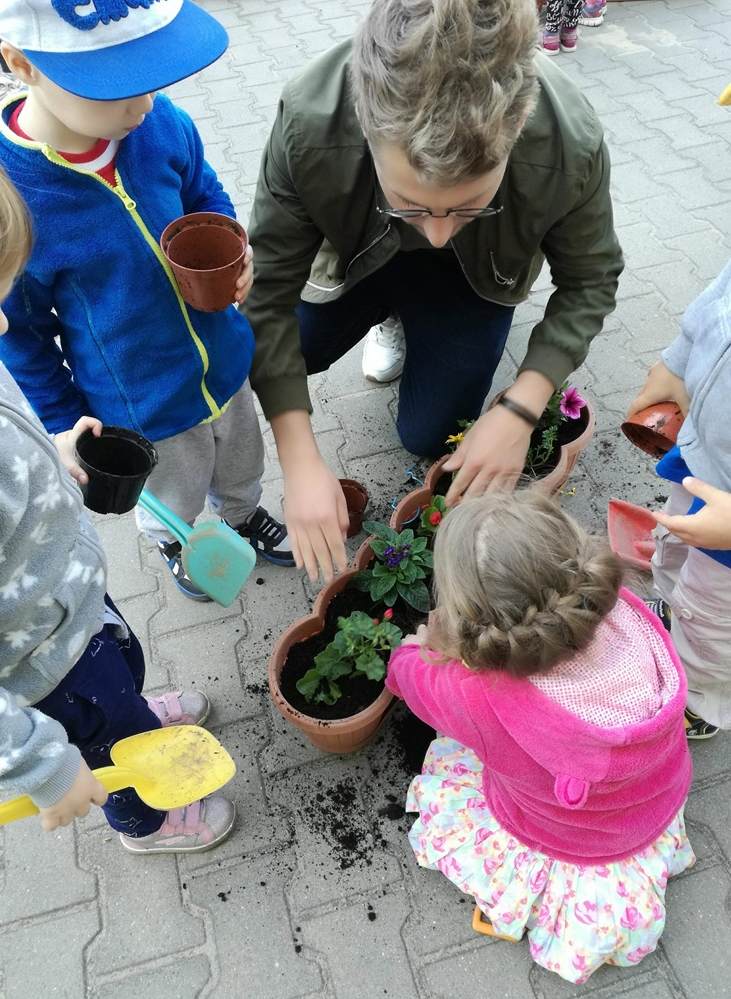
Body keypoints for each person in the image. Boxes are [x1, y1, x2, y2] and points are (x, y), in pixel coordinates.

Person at [241, 0, 623, 582]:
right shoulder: (309, 119)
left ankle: (427, 314)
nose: (440, 234)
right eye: (411, 204)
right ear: (367, 125)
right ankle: (391, 312)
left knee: (425, 434)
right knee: (293, 347)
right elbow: (265, 292)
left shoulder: (569, 142)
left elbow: (591, 280)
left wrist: (521, 407)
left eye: (472, 207)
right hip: (361, 258)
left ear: (517, 127)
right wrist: (297, 458)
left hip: (475, 280)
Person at [0, 0, 294, 603]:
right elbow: (19, 333)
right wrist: (66, 422)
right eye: (114, 87)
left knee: (239, 458)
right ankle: (176, 540)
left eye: (151, 76)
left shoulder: (158, 125)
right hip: (141, 403)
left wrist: (235, 244)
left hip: (223, 360)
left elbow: (204, 190)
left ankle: (243, 513)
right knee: (172, 489)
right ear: (23, 64)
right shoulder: (10, 204)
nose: (143, 103)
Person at [0, 148, 235, 852]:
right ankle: (144, 819)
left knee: (116, 674)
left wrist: (51, 458)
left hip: (68, 606)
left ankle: (128, 719)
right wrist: (44, 765)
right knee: (99, 742)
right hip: (40, 665)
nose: (0, 331)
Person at [386, 490, 693, 985]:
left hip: (570, 835)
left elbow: (414, 685)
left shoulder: (483, 699)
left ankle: (531, 896)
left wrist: (415, 652)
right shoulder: (630, 614)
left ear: (469, 615)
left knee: (462, 767)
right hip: (647, 806)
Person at [627, 253, 731, 740]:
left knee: (714, 621)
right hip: (702, 454)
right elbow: (722, 290)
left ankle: (702, 699)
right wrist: (681, 355)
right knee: (673, 545)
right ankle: (673, 606)